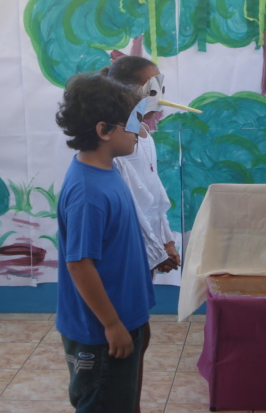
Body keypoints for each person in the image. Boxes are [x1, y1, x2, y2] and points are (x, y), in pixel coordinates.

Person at [55, 73, 155, 412]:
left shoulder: (108, 171)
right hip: (100, 334)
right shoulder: (88, 192)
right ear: (104, 130)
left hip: (123, 318)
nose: (140, 130)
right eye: (132, 123)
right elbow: (79, 264)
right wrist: (112, 324)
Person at [104, 55, 181, 413]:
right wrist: (155, 253)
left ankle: (129, 404)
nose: (160, 93)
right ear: (129, 92)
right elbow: (133, 206)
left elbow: (153, 195)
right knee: (128, 337)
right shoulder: (118, 144)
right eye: (152, 87)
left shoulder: (144, 135)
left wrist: (167, 241)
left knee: (139, 333)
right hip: (128, 254)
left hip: (145, 254)